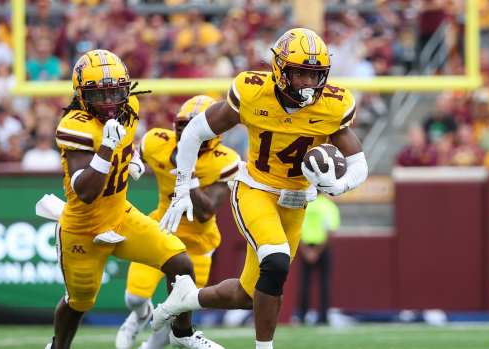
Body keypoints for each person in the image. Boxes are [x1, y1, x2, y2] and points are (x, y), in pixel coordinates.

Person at [152, 28, 368, 349]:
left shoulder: (333, 106)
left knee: (248, 294)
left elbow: (359, 162)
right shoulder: (253, 93)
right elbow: (195, 131)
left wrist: (339, 184)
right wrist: (184, 185)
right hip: (256, 189)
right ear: (280, 71)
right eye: (301, 74)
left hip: (296, 201)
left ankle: (186, 298)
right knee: (277, 260)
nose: (309, 83)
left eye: (315, 75)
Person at [46, 49, 220, 349]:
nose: (110, 102)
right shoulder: (74, 126)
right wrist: (107, 150)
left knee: (179, 261)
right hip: (82, 228)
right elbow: (85, 192)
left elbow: (128, 142)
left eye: (116, 92)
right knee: (79, 302)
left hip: (120, 216)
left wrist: (132, 158)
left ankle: (182, 333)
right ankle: (58, 346)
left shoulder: (130, 106)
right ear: (81, 95)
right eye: (100, 95)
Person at [115, 95, 240, 349]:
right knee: (134, 297)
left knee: (177, 310)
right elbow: (135, 152)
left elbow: (206, 211)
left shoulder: (225, 160)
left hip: (197, 242)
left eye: (194, 128)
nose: (187, 133)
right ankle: (140, 315)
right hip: (161, 229)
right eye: (183, 125)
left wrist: (188, 174)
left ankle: (150, 347)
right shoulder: (157, 142)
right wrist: (132, 160)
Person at [297, 195, 340, 325]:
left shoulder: (303, 205)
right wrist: (316, 252)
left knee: (304, 284)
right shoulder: (329, 206)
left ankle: (302, 316)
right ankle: (323, 317)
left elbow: (296, 229)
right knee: (324, 284)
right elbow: (331, 232)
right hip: (322, 249)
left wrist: (306, 251)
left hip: (305, 247)